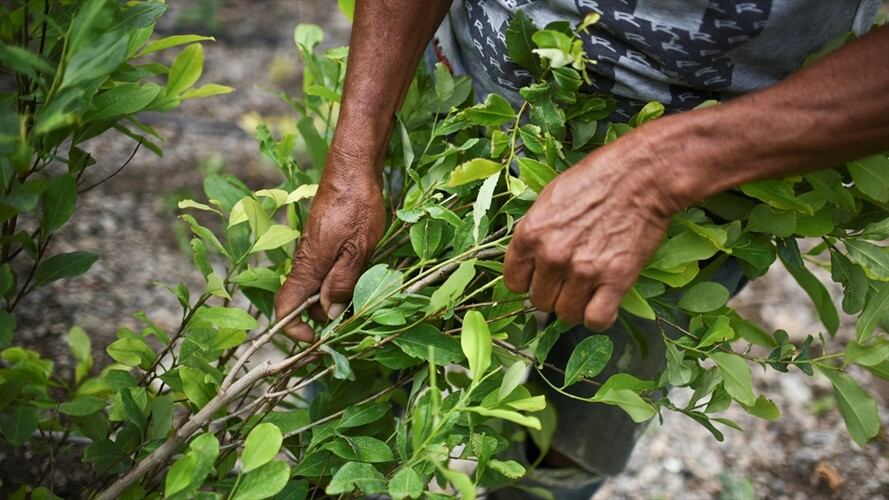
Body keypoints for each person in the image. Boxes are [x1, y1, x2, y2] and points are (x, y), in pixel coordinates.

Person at [275, 1, 889, 497]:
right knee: (358, 374)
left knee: (567, 445)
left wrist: (660, 172)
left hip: (711, 191)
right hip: (458, 118)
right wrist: (354, 159)